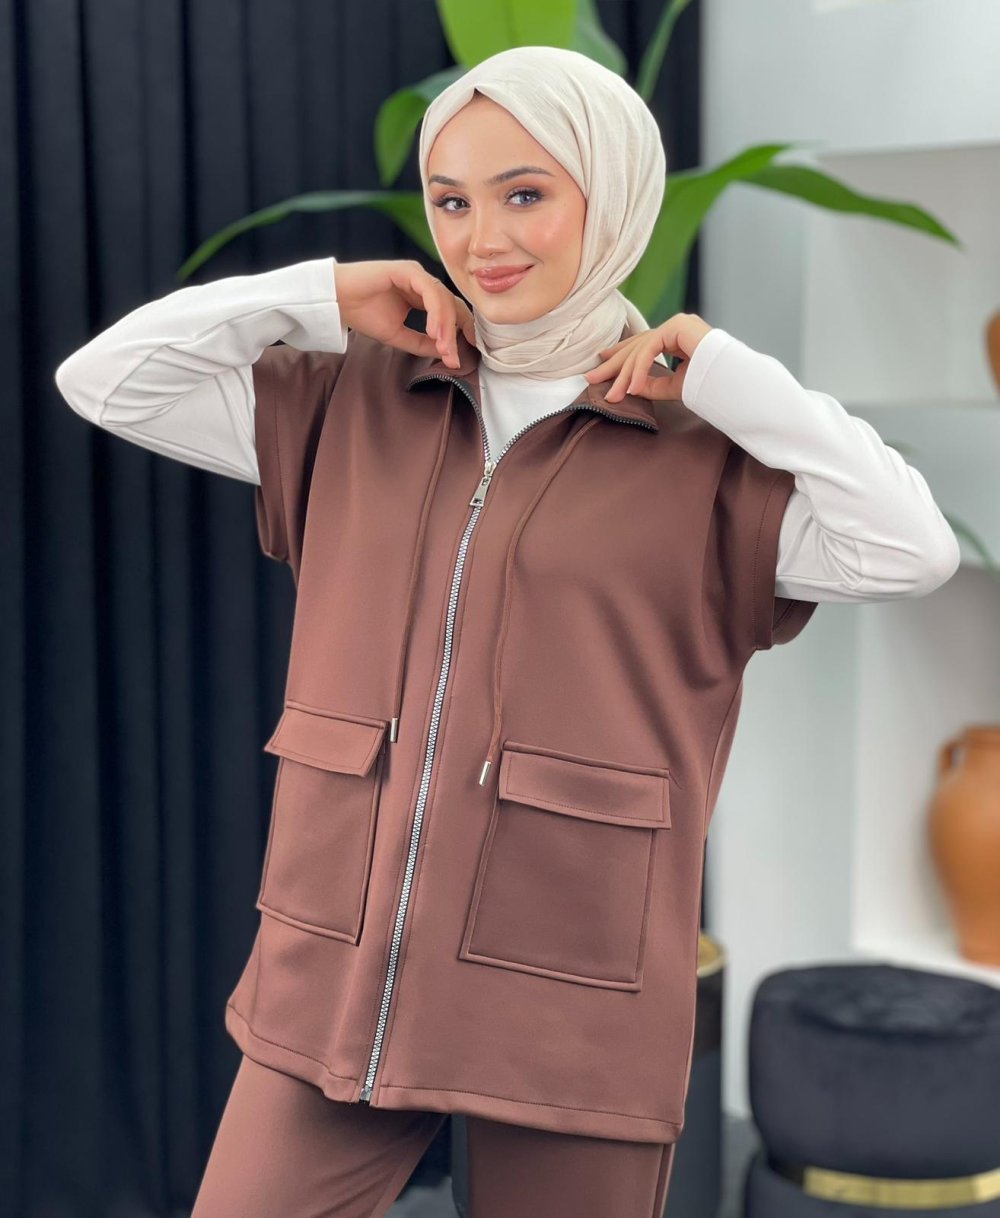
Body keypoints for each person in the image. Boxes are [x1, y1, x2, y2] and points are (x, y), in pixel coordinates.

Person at [53, 45, 960, 1218]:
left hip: (570, 992)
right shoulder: (354, 398)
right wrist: (321, 297)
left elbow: (912, 548)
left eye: (525, 193)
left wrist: (729, 376)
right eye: (451, 201)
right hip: (336, 969)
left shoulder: (709, 456)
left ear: (613, 194)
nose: (483, 239)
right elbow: (104, 380)